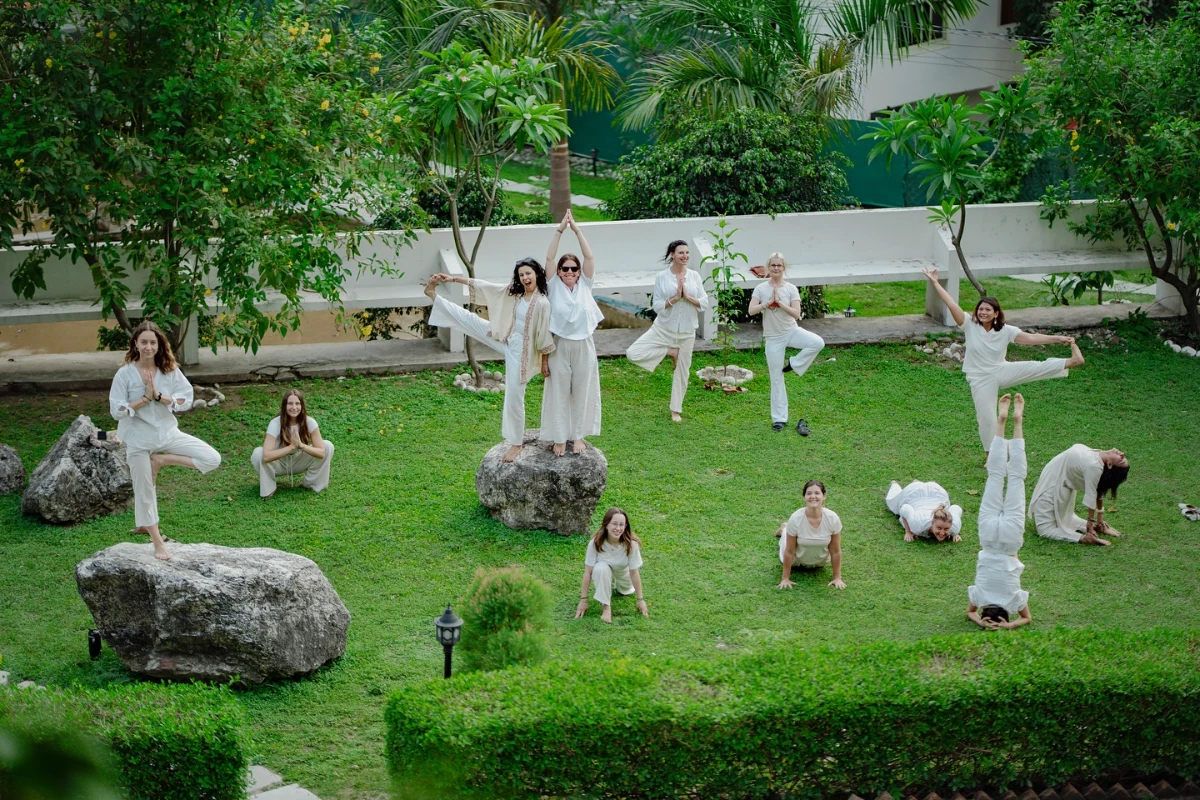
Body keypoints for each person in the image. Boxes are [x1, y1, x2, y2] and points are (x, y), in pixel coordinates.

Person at [922, 267, 1085, 452]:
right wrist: (935, 282)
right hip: (980, 378)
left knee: (1034, 367)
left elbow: (1030, 338)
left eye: (987, 309)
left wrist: (1057, 339)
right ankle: (990, 453)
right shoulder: (969, 324)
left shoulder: (1006, 330)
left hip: (1000, 369)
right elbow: (951, 303)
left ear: (996, 313)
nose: (983, 312)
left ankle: (1072, 361)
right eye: (980, 309)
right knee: (987, 416)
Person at [107, 321, 222, 560]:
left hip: (167, 435)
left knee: (212, 458)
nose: (148, 347)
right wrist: (144, 399)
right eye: (143, 342)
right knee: (145, 491)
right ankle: (158, 542)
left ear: (159, 345)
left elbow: (186, 399)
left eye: (152, 342)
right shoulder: (125, 374)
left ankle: (161, 461)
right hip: (138, 441)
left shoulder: (169, 370)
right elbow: (116, 410)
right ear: (135, 344)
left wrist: (159, 396)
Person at [425, 258, 555, 462]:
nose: (525, 277)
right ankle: (434, 296)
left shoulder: (543, 303)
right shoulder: (517, 293)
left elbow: (544, 336)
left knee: (514, 395)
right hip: (504, 336)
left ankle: (516, 442)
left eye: (528, 273)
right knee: (472, 321)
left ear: (537, 273)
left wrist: (545, 362)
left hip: (521, 353)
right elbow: (486, 286)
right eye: (521, 275)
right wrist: (452, 279)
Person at [966, 393, 1033, 630]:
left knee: (1016, 479)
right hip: (988, 537)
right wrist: (979, 620)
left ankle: (1017, 422)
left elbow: (1026, 619)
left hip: (1010, 540)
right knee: (994, 476)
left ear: (1005, 613)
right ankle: (1001, 422)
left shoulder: (1014, 601)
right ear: (985, 611)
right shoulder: (978, 597)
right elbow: (969, 613)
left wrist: (1009, 625)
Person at [540, 210, 603, 456]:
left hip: (584, 345)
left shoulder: (585, 284)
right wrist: (559, 230)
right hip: (559, 346)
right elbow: (548, 257)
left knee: (581, 392)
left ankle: (578, 436)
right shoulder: (553, 285)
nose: (569, 272)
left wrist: (576, 229)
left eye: (573, 268)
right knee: (559, 393)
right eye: (565, 268)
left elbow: (589, 256)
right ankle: (558, 437)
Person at [625, 240, 710, 423]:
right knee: (632, 353)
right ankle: (670, 352)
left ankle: (675, 410)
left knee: (682, 372)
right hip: (663, 329)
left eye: (687, 252)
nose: (685, 256)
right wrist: (675, 298)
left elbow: (704, 303)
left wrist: (687, 297)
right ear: (672, 254)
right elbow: (657, 306)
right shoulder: (662, 277)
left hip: (687, 332)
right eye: (681, 253)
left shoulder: (694, 276)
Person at [747, 253, 824, 435]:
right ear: (768, 267)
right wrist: (767, 304)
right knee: (776, 378)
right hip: (773, 338)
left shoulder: (790, 289)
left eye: (779, 266)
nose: (775, 268)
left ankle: (794, 363)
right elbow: (751, 311)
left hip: (791, 332)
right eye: (773, 265)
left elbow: (796, 314)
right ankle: (779, 419)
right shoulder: (760, 288)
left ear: (783, 268)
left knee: (817, 343)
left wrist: (780, 303)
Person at [1028, 444, 1129, 545]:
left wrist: (1092, 524)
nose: (1122, 454)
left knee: (1045, 530)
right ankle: (1092, 529)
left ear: (1110, 464)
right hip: (1056, 481)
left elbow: (1093, 495)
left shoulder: (1094, 466)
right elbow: (1098, 489)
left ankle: (1084, 538)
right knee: (1065, 522)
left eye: (1121, 460)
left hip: (1056, 486)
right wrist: (1098, 521)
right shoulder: (1097, 455)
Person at [251, 389, 334, 498]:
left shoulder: (310, 422)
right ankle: (269, 489)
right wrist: (291, 447)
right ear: (284, 406)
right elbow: (266, 456)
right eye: (290, 403)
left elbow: (322, 452)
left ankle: (312, 484)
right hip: (279, 463)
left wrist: (301, 446)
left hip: (299, 460)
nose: (294, 407)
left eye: (297, 403)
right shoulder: (275, 423)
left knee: (328, 446)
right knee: (258, 453)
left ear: (302, 406)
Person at [575, 507, 648, 624]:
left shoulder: (631, 544)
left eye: (621, 525)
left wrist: (640, 600)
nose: (618, 528)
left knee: (625, 591)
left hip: (623, 576)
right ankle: (606, 608)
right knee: (601, 567)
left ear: (625, 527)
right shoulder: (595, 543)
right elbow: (588, 572)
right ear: (606, 524)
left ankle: (620, 588)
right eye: (614, 524)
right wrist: (583, 600)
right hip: (603, 575)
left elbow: (634, 572)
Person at [776, 480, 846, 589]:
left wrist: (837, 578)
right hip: (797, 560)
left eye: (817, 493)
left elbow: (835, 551)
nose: (813, 496)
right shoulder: (796, 518)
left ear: (824, 496)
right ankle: (785, 528)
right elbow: (789, 551)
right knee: (786, 535)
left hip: (820, 562)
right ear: (804, 497)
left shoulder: (832, 518)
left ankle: (786, 527)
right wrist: (785, 578)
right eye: (809, 493)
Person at [885, 480, 963, 542]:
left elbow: (956, 508)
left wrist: (954, 534)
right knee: (894, 504)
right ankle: (895, 484)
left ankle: (917, 483)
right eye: (939, 528)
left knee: (918, 486)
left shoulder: (954, 527)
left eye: (946, 529)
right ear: (932, 523)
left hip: (936, 492)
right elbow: (904, 509)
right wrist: (908, 532)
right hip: (912, 494)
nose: (942, 533)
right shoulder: (918, 525)